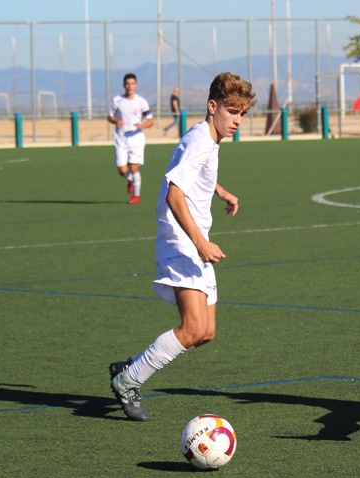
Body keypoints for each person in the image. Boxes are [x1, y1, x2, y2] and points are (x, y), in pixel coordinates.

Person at [108, 72, 256, 421]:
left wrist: (219, 191)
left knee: (206, 332)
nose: (237, 120)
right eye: (232, 111)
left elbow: (191, 173)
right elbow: (175, 193)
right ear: (213, 105)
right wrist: (200, 242)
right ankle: (128, 380)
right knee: (191, 328)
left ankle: (131, 366)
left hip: (193, 240)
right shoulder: (200, 141)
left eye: (242, 114)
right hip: (182, 241)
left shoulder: (206, 138)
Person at [108, 73, 154, 204]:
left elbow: (151, 121)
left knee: (134, 168)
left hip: (136, 139)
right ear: (124, 85)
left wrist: (142, 125)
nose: (130, 86)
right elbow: (110, 117)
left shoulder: (141, 102)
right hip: (121, 138)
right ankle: (130, 179)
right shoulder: (117, 100)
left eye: (132, 83)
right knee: (122, 170)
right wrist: (115, 121)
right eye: (127, 84)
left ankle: (136, 196)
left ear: (136, 85)